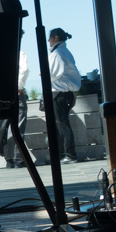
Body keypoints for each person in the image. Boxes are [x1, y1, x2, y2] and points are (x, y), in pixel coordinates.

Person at [48, 27, 82, 162]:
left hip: (59, 93)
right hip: (64, 93)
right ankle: (64, 154)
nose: (48, 40)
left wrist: (44, 74)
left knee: (62, 124)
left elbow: (53, 73)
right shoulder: (63, 52)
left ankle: (69, 154)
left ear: (56, 37)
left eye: (50, 37)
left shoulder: (58, 53)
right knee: (61, 124)